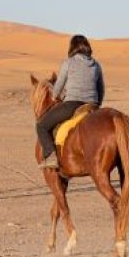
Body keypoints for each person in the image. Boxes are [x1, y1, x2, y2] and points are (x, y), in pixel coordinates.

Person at [36, 35, 105, 169]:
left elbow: (59, 86)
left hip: (73, 104)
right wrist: (97, 104)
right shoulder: (96, 64)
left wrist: (55, 96)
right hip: (92, 105)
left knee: (41, 126)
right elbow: (101, 88)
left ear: (72, 47)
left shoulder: (68, 63)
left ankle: (50, 157)